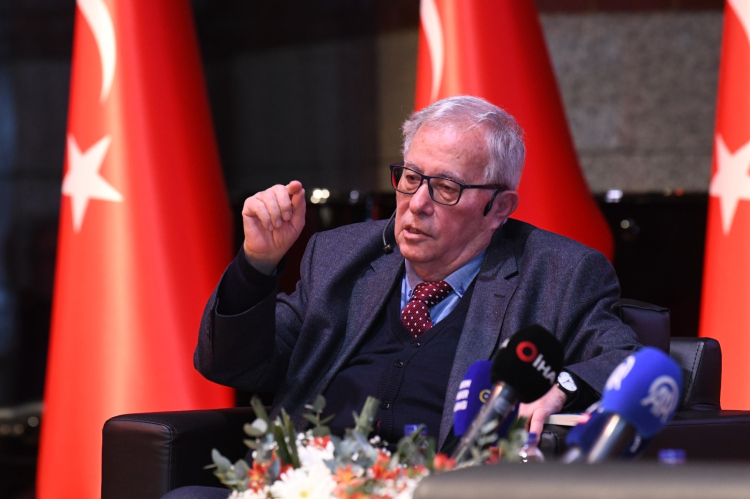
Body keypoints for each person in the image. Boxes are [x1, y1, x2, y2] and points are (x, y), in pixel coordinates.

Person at [194, 95, 640, 453]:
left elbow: (628, 360)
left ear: (498, 208)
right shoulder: (340, 257)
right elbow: (235, 366)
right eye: (410, 178)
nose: (418, 203)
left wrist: (561, 387)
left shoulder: (558, 274)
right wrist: (257, 264)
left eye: (445, 188)